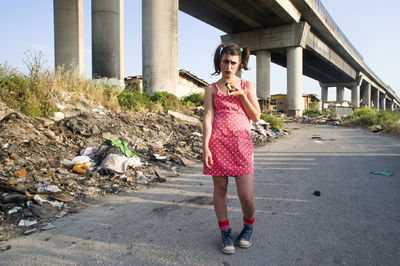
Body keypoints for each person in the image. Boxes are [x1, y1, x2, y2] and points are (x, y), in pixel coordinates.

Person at [202, 43, 261, 254]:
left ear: (240, 64)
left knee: (247, 196)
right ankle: (225, 231)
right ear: (219, 62)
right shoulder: (211, 88)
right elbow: (208, 118)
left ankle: (248, 226)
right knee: (220, 191)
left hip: (242, 145)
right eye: (225, 61)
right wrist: (205, 146)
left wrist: (242, 96)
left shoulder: (247, 85)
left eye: (233, 63)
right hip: (218, 144)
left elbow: (256, 116)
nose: (229, 66)